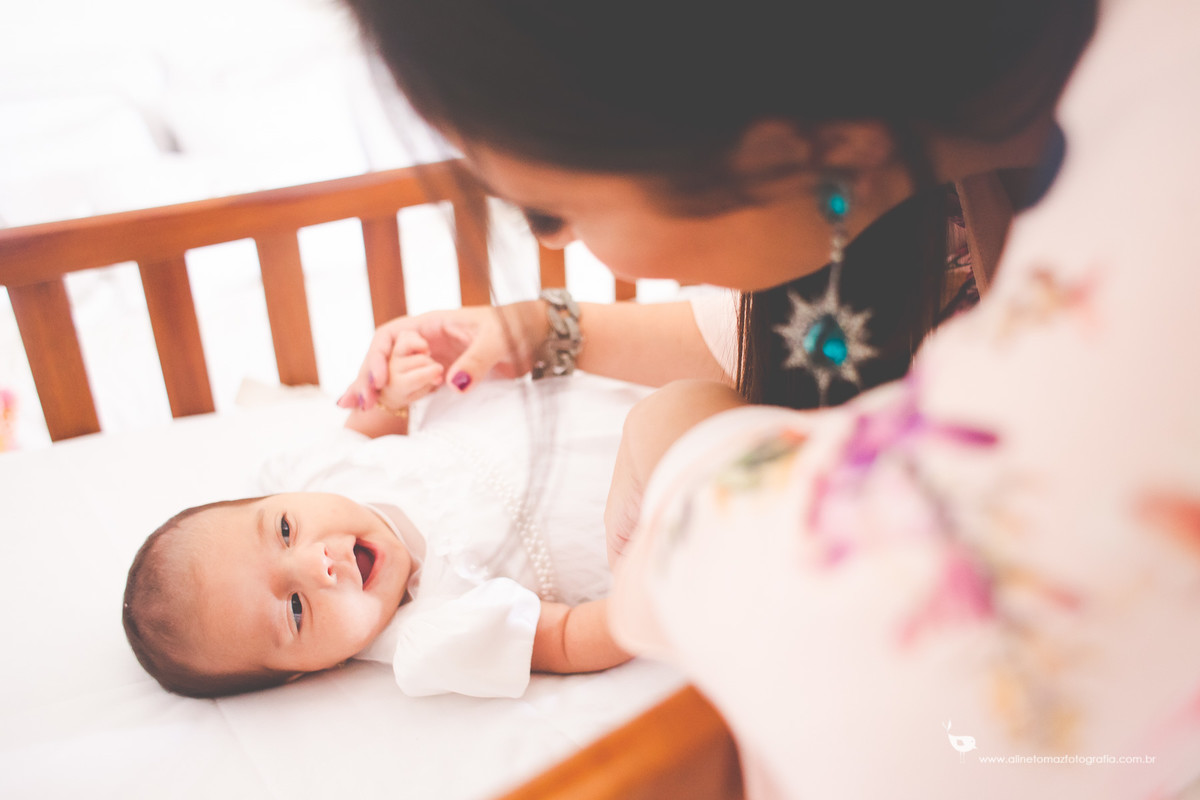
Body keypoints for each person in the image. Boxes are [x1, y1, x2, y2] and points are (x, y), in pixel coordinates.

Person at [333, 0, 1200, 797]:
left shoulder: (1157, 222)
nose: (567, 248)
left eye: (550, 214)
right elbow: (803, 325)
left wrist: (684, 441)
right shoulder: (982, 151)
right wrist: (546, 329)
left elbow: (943, 675)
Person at [122, 375, 642, 699]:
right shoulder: (435, 628)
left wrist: (394, 381)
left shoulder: (320, 476)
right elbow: (566, 638)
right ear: (306, 671)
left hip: (586, 396)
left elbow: (382, 413)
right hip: (641, 503)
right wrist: (650, 599)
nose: (317, 564)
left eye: (284, 530)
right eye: (296, 609)